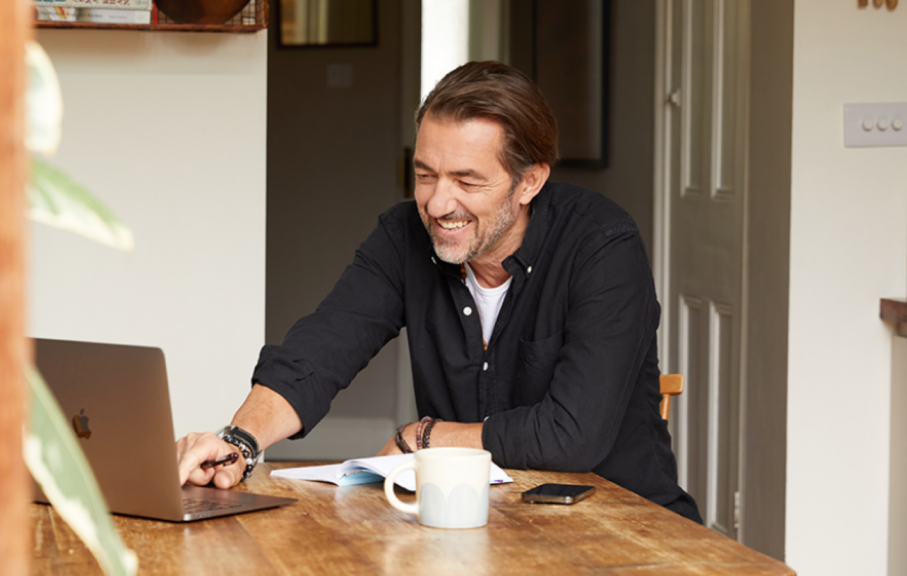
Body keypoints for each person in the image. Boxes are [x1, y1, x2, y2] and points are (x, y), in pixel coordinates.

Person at [176, 61, 701, 522]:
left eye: (467, 181)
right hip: (468, 525)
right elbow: (321, 350)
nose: (437, 203)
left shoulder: (601, 244)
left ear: (529, 182)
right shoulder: (404, 236)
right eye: (425, 174)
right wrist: (239, 443)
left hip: (622, 529)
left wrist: (425, 437)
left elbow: (573, 433)